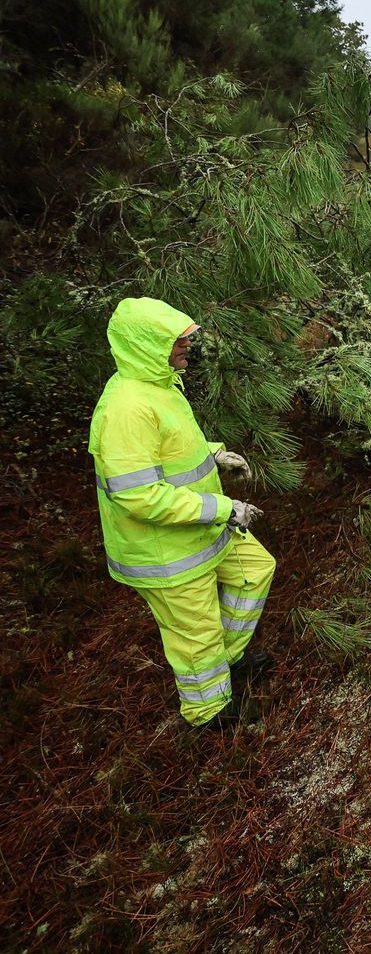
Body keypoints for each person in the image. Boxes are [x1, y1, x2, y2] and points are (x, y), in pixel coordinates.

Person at [88, 298, 276, 730]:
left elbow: (172, 451)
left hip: (197, 531)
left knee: (256, 569)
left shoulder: (159, 385)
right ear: (150, 345)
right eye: (178, 342)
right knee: (197, 637)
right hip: (165, 552)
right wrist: (225, 508)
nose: (187, 348)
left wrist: (215, 455)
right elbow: (139, 496)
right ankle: (211, 715)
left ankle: (229, 660)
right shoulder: (126, 410)